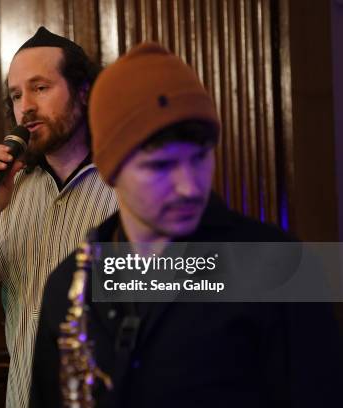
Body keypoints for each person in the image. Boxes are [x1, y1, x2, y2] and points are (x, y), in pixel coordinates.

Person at [31, 43, 343, 407]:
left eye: (199, 158)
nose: (190, 186)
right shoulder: (66, 286)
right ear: (109, 169)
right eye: (160, 167)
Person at [0, 27, 118, 407]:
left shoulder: (131, 187)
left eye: (40, 88)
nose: (26, 107)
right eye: (16, 95)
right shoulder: (10, 192)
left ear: (83, 92)